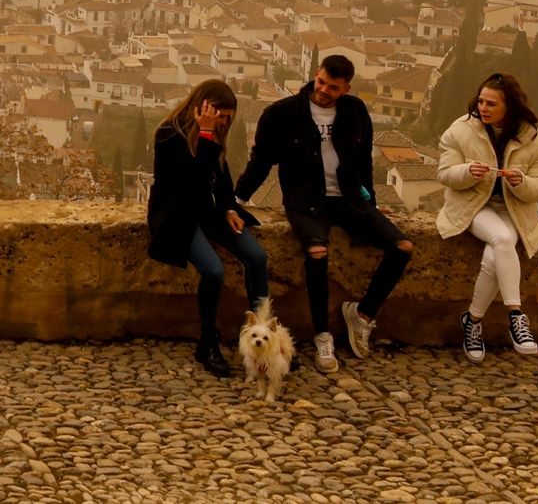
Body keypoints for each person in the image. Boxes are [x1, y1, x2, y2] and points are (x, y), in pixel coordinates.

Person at [235, 53, 413, 372]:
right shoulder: (282, 114)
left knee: (402, 247)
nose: (323, 90)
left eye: (332, 87)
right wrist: (239, 198)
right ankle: (322, 335)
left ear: (345, 88)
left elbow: (363, 163)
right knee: (317, 253)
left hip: (348, 199)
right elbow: (261, 159)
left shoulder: (355, 111)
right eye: (321, 82)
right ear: (315, 76)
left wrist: (369, 203)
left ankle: (361, 316)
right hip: (305, 201)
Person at [149, 79, 268, 378]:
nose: (224, 123)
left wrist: (229, 207)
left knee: (256, 257)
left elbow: (220, 177)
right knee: (213, 271)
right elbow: (193, 180)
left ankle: (263, 334)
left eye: (227, 118)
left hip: (210, 210)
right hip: (178, 214)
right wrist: (204, 134)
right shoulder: (169, 133)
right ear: (202, 107)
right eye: (220, 116)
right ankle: (208, 340)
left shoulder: (214, 134)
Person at [436, 72, 538, 361]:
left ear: (510, 106)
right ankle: (516, 315)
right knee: (501, 239)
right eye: (481, 102)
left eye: (491, 104)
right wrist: (467, 172)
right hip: (472, 206)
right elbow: (444, 174)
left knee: (495, 252)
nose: (483, 108)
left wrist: (521, 182)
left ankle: (472, 322)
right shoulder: (460, 130)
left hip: (513, 210)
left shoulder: (535, 140)